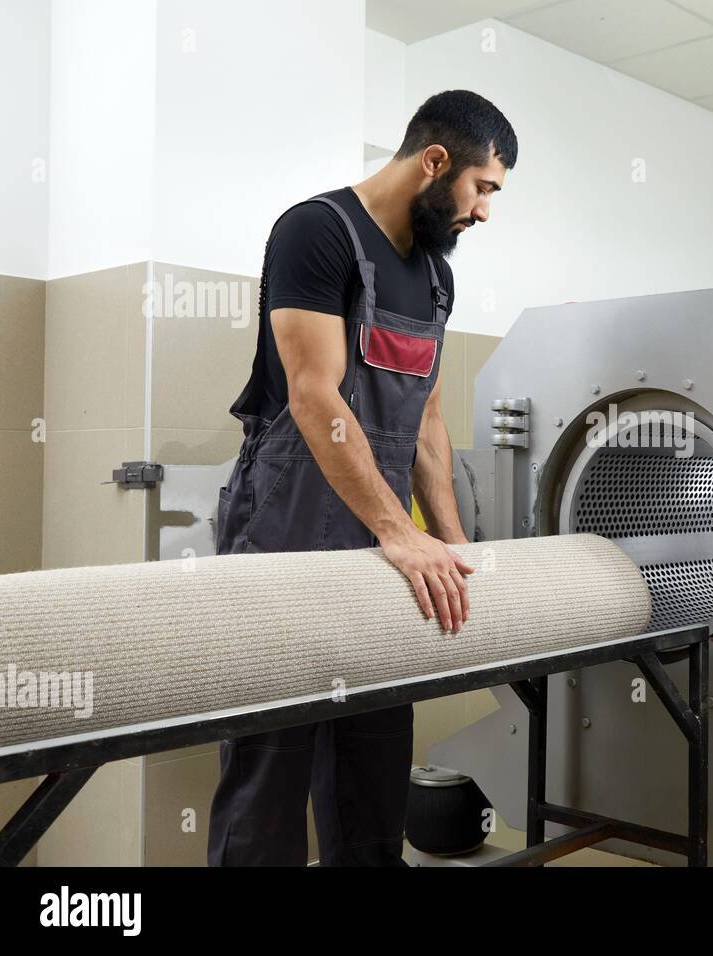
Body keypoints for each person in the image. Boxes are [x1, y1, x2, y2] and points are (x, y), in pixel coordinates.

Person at [207, 90, 517, 866]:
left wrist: (450, 543)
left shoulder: (435, 276)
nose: (485, 213)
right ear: (435, 162)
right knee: (268, 776)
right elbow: (314, 394)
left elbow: (427, 425)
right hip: (284, 532)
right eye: (484, 189)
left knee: (373, 773)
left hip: (385, 543)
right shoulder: (317, 231)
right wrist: (396, 528)